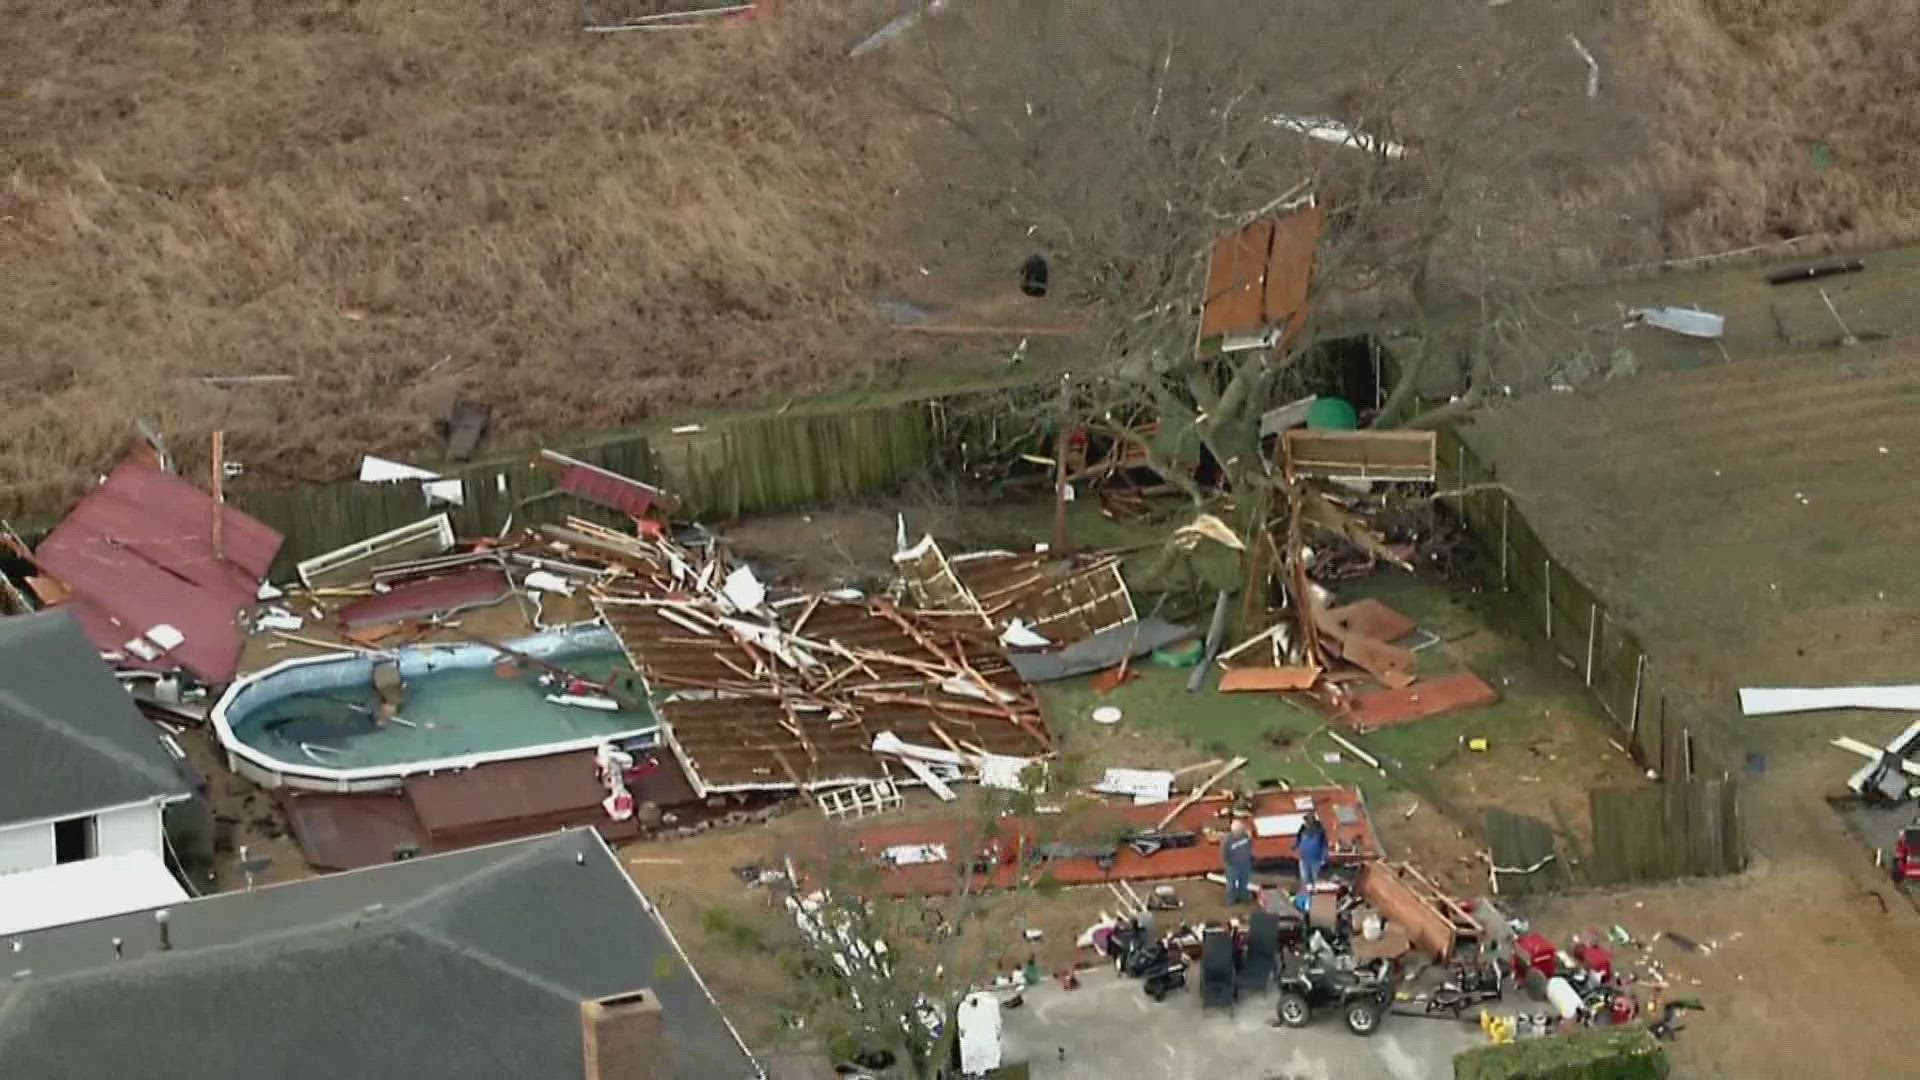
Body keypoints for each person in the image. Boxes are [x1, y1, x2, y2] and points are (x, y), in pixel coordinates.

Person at [1222, 819, 1255, 905]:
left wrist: (1249, 857)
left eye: (1241, 830)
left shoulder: (1246, 836)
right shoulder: (1227, 841)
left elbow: (1250, 846)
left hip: (1245, 864)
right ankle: (1231, 900)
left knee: (1244, 882)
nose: (1240, 832)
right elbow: (1224, 854)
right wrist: (1229, 865)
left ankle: (1243, 897)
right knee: (1231, 885)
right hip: (1233, 866)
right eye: (1239, 831)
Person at [1296, 813, 1328, 887]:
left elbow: (1324, 845)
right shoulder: (1302, 829)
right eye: (1305, 820)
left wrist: (1324, 858)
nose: (1306, 822)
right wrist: (1295, 847)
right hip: (1303, 858)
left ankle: (1316, 892)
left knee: (1315, 877)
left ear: (1312, 821)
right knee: (1304, 877)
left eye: (1307, 820)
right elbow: (1298, 840)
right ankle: (1306, 892)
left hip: (1316, 858)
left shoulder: (1320, 831)